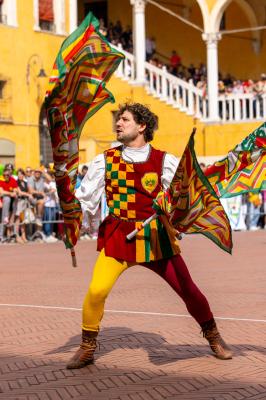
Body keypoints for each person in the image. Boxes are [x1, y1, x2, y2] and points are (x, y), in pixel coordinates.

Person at [67, 103, 232, 369]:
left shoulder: (165, 161)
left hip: (156, 237)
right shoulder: (104, 160)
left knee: (188, 290)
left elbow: (182, 198)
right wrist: (73, 218)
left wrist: (175, 209)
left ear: (142, 126)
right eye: (118, 120)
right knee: (97, 290)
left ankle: (214, 337)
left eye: (125, 119)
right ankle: (87, 347)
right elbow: (85, 199)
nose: (118, 124)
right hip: (118, 236)